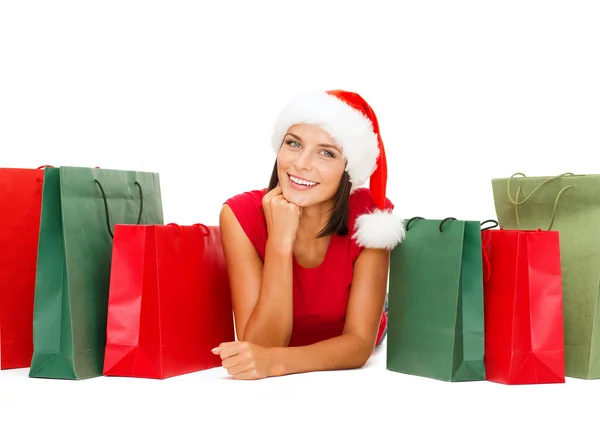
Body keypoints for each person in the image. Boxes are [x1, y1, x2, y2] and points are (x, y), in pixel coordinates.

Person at [211, 90, 405, 380]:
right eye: (293, 143)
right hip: (295, 337)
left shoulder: (371, 218)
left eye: (327, 152)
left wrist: (276, 362)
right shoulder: (239, 215)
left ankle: (382, 306)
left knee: (373, 312)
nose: (301, 164)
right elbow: (259, 346)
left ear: (347, 169)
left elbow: (358, 345)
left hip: (347, 330)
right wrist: (280, 242)